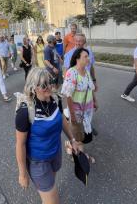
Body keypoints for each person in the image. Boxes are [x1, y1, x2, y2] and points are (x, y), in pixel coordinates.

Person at [15, 67, 80, 204]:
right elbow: (20, 144)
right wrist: (22, 174)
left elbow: (62, 119)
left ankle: (47, 194)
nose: (49, 87)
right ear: (34, 88)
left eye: (50, 82)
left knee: (50, 186)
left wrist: (72, 139)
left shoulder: (55, 99)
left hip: (55, 153)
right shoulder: (25, 111)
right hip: (39, 162)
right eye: (44, 85)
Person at [61, 48, 96, 163]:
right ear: (77, 58)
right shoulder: (72, 73)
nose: (88, 58)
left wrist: (95, 101)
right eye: (85, 56)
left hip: (87, 110)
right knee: (80, 138)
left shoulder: (86, 71)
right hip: (77, 111)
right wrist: (73, 116)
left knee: (81, 135)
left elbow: (89, 89)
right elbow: (68, 96)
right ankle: (81, 159)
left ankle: (70, 145)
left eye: (88, 56)